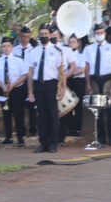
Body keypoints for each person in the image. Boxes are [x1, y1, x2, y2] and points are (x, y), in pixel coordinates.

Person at [26, 23, 68, 153]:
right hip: (39, 85)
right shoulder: (34, 52)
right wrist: (30, 91)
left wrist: (63, 89)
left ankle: (53, 143)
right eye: (41, 34)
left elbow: (62, 72)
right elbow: (31, 72)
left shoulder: (57, 52)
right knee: (41, 115)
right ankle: (43, 142)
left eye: (46, 34)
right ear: (39, 35)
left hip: (51, 85)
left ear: (50, 35)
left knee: (52, 115)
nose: (43, 36)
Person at [84, 24, 111, 146]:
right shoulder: (88, 49)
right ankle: (100, 136)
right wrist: (88, 83)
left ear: (105, 33)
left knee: (110, 109)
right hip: (95, 79)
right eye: (97, 33)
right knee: (97, 110)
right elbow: (87, 67)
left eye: (101, 32)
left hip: (107, 79)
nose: (100, 34)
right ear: (94, 34)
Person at [0, 37, 29, 146]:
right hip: (3, 90)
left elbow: (24, 75)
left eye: (8, 46)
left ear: (12, 47)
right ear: (1, 48)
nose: (6, 48)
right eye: (4, 46)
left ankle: (20, 138)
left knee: (18, 113)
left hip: (17, 89)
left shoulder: (18, 60)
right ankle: (8, 137)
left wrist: (13, 85)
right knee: (6, 113)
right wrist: (2, 85)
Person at [51, 26, 78, 144]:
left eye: (55, 35)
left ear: (59, 36)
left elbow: (73, 66)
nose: (52, 37)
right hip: (50, 82)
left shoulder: (66, 49)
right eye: (51, 35)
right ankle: (52, 136)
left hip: (62, 81)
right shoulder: (46, 48)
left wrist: (64, 78)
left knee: (63, 109)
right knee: (50, 110)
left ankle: (61, 136)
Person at [13, 26, 38, 137]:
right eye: (23, 36)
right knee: (19, 107)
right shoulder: (15, 50)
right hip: (19, 81)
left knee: (32, 107)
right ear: (20, 36)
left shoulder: (33, 50)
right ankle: (21, 130)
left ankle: (33, 129)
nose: (25, 39)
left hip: (30, 80)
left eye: (28, 37)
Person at [65, 35, 87, 137]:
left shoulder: (81, 56)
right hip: (68, 81)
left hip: (78, 81)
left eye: (74, 42)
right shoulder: (65, 55)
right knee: (68, 104)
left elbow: (82, 69)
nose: (71, 44)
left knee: (78, 105)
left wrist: (70, 74)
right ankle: (69, 127)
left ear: (78, 44)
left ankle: (77, 128)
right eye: (70, 42)